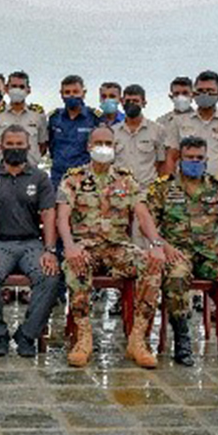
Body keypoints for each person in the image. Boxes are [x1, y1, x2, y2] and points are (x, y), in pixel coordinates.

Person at [57, 126, 171, 369]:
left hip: (118, 246)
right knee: (75, 265)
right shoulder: (73, 179)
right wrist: (69, 246)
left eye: (108, 143)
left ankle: (138, 339)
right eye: (99, 143)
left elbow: (142, 215)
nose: (104, 148)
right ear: (89, 146)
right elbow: (62, 217)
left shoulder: (126, 179)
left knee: (152, 264)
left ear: (115, 147)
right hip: (85, 246)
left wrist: (156, 245)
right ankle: (83, 338)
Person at [148, 136, 218, 368]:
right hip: (177, 251)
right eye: (189, 158)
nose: (194, 162)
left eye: (199, 158)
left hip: (210, 252)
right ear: (179, 159)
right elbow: (149, 226)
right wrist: (164, 246)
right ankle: (183, 343)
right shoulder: (163, 188)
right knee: (175, 278)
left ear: (206, 159)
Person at [0, 125, 61, 357]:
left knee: (50, 276)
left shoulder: (40, 178)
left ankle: (27, 334)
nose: (14, 149)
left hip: (31, 243)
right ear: (0, 147)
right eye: (9, 145)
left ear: (28, 146)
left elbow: (49, 215)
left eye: (19, 145)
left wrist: (50, 250)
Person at [164, 70, 218, 195]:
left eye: (210, 91)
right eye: (201, 91)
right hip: (185, 192)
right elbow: (171, 158)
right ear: (194, 93)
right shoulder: (179, 122)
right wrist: (170, 191)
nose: (205, 95)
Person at [48, 75, 101, 189]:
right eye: (67, 92)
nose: (71, 95)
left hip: (84, 177)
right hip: (58, 176)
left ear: (83, 93)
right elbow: (51, 146)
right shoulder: (55, 118)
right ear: (61, 94)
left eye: (75, 92)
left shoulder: (94, 118)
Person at [0, 71, 48, 167]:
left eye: (21, 87)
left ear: (28, 90)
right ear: (6, 89)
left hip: (31, 170)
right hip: (4, 170)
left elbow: (42, 145)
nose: (17, 90)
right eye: (14, 86)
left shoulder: (38, 114)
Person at [112, 84, 167, 187]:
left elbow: (161, 162)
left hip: (147, 189)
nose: (131, 104)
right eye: (128, 101)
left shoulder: (157, 130)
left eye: (135, 101)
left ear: (144, 103)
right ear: (122, 102)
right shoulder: (113, 131)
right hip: (120, 191)